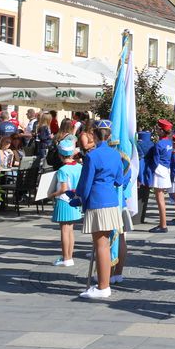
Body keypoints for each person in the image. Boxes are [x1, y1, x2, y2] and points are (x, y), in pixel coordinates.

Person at [70, 120, 124, 300]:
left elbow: (85, 183)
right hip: (112, 201)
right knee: (105, 245)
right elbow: (119, 180)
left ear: (94, 134)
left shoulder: (92, 156)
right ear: (109, 135)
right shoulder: (116, 154)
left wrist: (78, 198)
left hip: (97, 201)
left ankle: (103, 287)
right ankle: (103, 284)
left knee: (101, 245)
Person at [48, 135, 82, 267]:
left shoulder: (62, 170)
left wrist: (52, 194)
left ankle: (66, 258)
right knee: (70, 230)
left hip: (64, 200)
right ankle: (69, 257)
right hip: (75, 200)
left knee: (64, 230)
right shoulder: (79, 166)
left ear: (60, 155)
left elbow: (63, 189)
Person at [148, 119, 174, 233]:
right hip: (166, 169)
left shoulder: (159, 144)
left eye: (158, 129)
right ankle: (162, 224)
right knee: (161, 198)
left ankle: (163, 225)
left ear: (162, 131)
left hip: (159, 170)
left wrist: (150, 171)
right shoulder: (169, 142)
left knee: (160, 199)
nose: (157, 130)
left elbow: (155, 160)